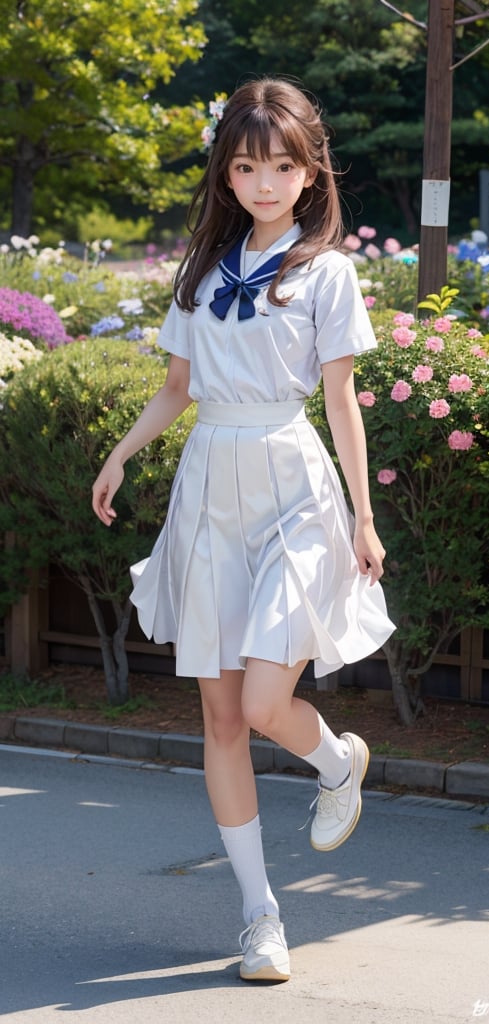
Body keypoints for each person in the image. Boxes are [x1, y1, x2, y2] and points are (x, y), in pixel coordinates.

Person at [92, 77, 395, 984]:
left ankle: (337, 761)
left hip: (292, 481)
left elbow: (341, 397)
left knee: (266, 703)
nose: (265, 182)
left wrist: (364, 516)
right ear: (227, 174)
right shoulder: (199, 272)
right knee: (221, 718)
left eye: (283, 165)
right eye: (248, 164)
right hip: (209, 484)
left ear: (310, 174)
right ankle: (260, 916)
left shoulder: (326, 272)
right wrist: (121, 453)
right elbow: (177, 389)